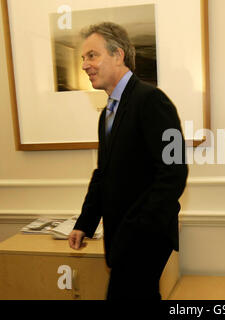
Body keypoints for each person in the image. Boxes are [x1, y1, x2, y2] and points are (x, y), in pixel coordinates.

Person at [68, 22, 188, 300]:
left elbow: (174, 173)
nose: (85, 65)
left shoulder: (153, 101)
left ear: (118, 55)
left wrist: (137, 230)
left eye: (92, 55)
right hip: (121, 236)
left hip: (145, 237)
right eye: (83, 58)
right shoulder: (107, 113)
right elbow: (103, 174)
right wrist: (84, 223)